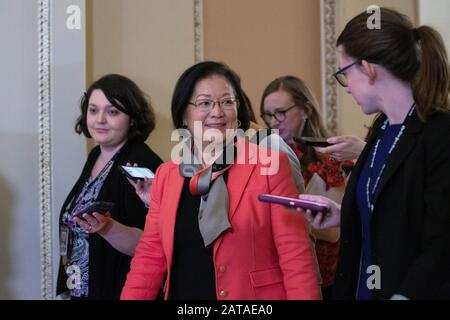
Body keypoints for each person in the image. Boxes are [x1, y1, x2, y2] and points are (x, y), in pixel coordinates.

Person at [121, 61, 320, 300]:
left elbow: (296, 256)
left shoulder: (269, 166)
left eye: (227, 102)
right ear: (184, 114)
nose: (217, 112)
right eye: (204, 103)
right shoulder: (167, 175)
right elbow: (149, 258)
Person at [301, 7, 450, 300]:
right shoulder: (382, 127)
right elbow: (389, 215)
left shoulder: (439, 133)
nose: (346, 87)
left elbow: (442, 241)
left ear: (368, 68)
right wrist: (342, 216)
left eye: (344, 73)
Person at [56, 74, 163, 299]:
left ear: (132, 118)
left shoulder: (142, 163)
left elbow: (153, 244)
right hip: (80, 288)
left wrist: (106, 227)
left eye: (113, 112)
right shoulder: (96, 154)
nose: (100, 119)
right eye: (93, 110)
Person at [260, 75, 352, 299]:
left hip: (328, 280)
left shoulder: (332, 158)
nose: (273, 122)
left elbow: (332, 232)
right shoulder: (264, 157)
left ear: (306, 110)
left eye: (281, 112)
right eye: (267, 115)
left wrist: (279, 223)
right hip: (279, 276)